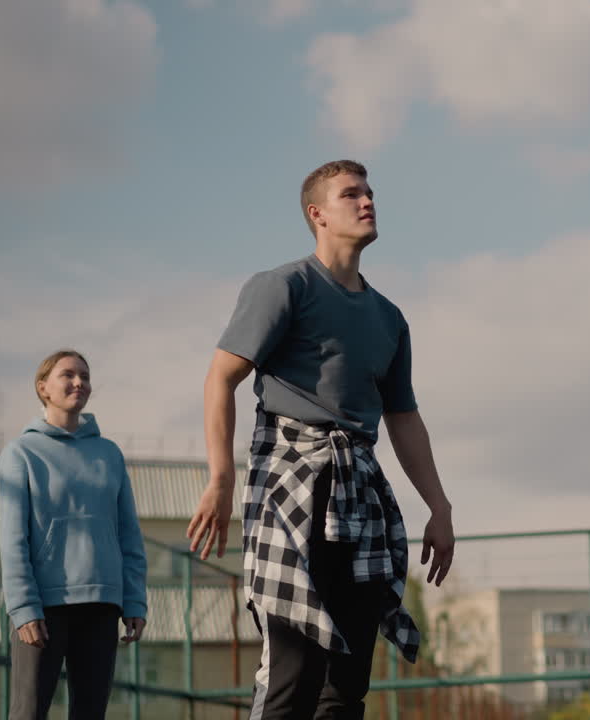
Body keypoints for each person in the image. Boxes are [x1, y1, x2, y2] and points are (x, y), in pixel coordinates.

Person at [186, 159, 455, 719]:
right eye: (351, 194)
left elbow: (403, 417)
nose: (367, 201)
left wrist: (439, 505)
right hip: (291, 490)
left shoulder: (389, 317)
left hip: (359, 495)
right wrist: (220, 477)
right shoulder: (282, 286)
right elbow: (221, 378)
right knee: (294, 673)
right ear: (318, 215)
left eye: (370, 192)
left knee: (347, 682)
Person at [0, 349, 148, 720]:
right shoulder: (20, 454)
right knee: (28, 712)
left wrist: (135, 600)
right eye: (68, 374)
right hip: (43, 606)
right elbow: (12, 541)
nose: (79, 382)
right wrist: (23, 607)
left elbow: (129, 534)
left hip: (102, 604)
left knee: (90, 713)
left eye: (85, 375)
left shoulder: (109, 454)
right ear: (43, 387)